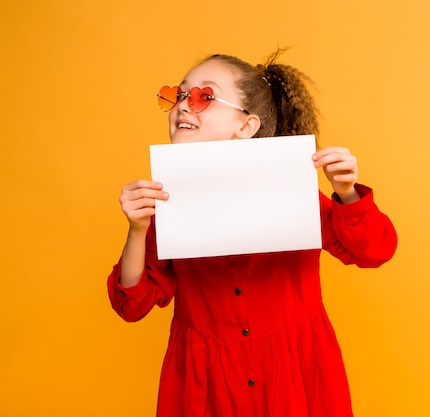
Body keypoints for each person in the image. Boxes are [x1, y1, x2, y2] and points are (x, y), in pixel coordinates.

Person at [107, 50, 398, 417]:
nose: (184, 105)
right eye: (179, 94)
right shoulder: (164, 202)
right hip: (204, 383)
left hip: (296, 376)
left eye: (204, 96)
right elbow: (132, 305)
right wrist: (137, 229)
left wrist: (347, 193)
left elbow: (374, 251)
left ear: (246, 126)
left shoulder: (294, 189)